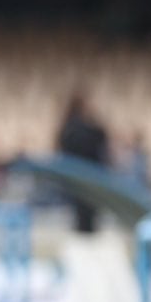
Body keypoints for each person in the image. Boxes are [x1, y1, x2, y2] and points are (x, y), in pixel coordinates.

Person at [56, 90, 111, 232]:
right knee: (83, 212)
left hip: (84, 176)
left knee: (86, 213)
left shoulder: (71, 127)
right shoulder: (76, 128)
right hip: (83, 176)